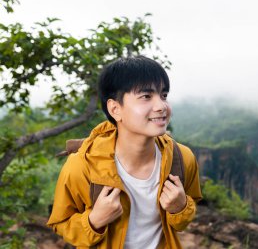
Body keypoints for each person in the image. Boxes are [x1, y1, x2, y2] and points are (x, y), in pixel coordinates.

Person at [47, 56, 202, 249]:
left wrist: (180, 208)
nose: (161, 106)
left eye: (163, 95)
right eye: (146, 96)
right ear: (115, 109)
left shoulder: (181, 158)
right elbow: (61, 224)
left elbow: (183, 219)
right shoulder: (83, 165)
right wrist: (94, 221)